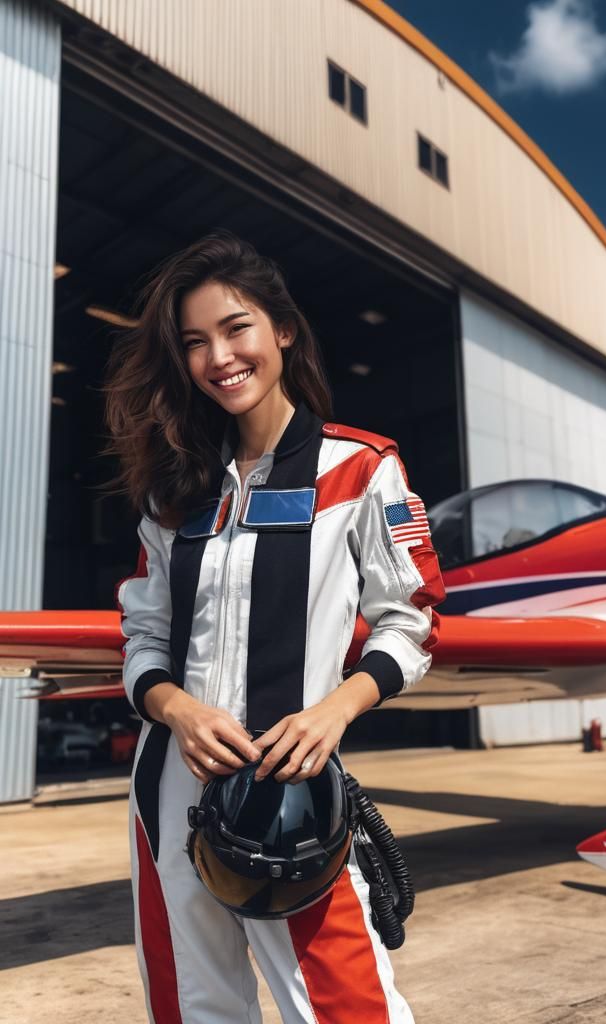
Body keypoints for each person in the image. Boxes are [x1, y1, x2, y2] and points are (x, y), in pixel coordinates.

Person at [103, 229, 445, 1023]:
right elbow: (143, 642)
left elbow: (414, 624)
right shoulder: (174, 495)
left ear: (282, 329)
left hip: (291, 790)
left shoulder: (360, 468)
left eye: (236, 328)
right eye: (195, 343)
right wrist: (177, 711)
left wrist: (334, 711)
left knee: (347, 1010)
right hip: (169, 790)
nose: (219, 357)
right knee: (194, 1007)